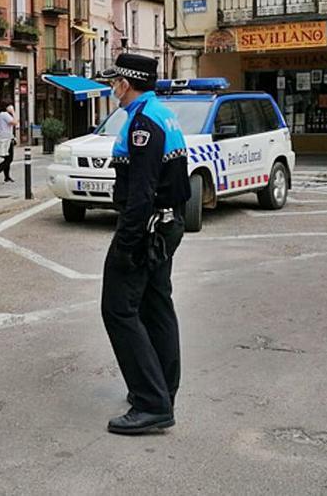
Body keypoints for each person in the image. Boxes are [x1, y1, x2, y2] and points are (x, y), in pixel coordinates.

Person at [96, 53, 191, 436]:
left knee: (118, 309)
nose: (112, 88)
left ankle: (151, 403)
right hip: (165, 224)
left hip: (147, 226)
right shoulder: (159, 113)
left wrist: (127, 243)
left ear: (127, 83)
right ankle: (162, 391)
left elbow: (141, 191)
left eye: (115, 81)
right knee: (155, 306)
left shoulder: (144, 124)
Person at [0, 101, 17, 184]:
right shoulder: (5, 115)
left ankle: (7, 177)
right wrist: (13, 112)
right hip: (6, 139)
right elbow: (15, 123)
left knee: (6, 158)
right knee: (9, 159)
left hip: (1, 138)